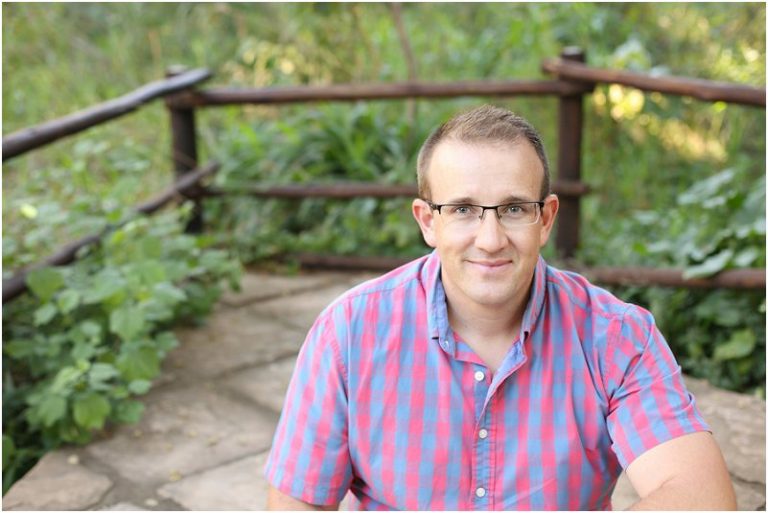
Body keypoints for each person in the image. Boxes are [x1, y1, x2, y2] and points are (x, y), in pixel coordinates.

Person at [264, 105, 736, 510]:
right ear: (427, 221)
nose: (490, 241)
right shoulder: (350, 331)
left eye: (513, 209)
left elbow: (703, 498)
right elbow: (298, 502)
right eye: (463, 209)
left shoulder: (615, 338)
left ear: (545, 218)